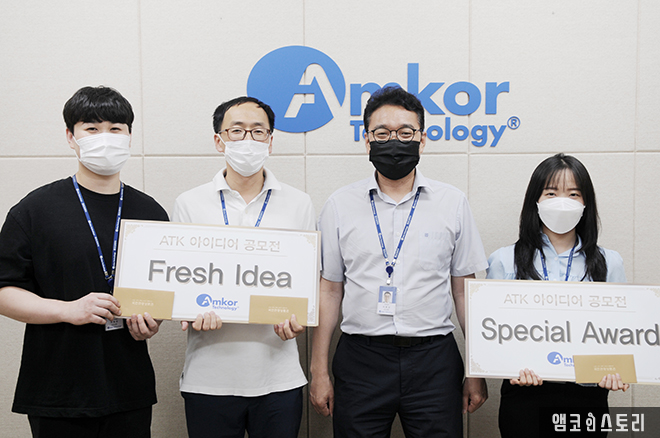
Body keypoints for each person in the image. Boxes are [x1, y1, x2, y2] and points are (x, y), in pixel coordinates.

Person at [310, 86, 489, 438]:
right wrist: (319, 370)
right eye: (382, 133)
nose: (394, 141)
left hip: (434, 360)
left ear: (422, 139)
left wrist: (476, 367)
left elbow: (465, 292)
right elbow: (329, 290)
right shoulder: (339, 205)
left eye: (406, 133)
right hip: (361, 360)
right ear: (367, 140)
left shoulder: (452, 203)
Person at [0, 86, 168, 438]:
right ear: (70, 137)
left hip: (129, 388)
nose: (105, 137)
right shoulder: (34, 210)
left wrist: (152, 321)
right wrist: (67, 310)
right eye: (92, 128)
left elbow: (162, 291)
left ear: (129, 136)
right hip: (57, 390)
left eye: (115, 128)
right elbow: (4, 291)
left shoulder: (151, 212)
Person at [172, 96, 315, 438]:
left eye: (258, 131)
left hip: (279, 377)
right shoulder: (189, 203)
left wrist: (300, 321)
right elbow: (180, 282)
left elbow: (306, 284)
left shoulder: (299, 203)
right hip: (208, 378)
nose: (247, 139)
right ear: (219, 140)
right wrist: (188, 311)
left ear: (270, 140)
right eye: (236, 131)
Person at [486, 153, 629, 438]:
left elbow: (620, 332)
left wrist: (617, 370)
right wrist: (507, 365)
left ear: (586, 203)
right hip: (525, 394)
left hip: (587, 396)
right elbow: (491, 333)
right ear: (535, 201)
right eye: (551, 193)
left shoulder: (610, 262)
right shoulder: (504, 260)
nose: (562, 201)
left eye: (573, 194)